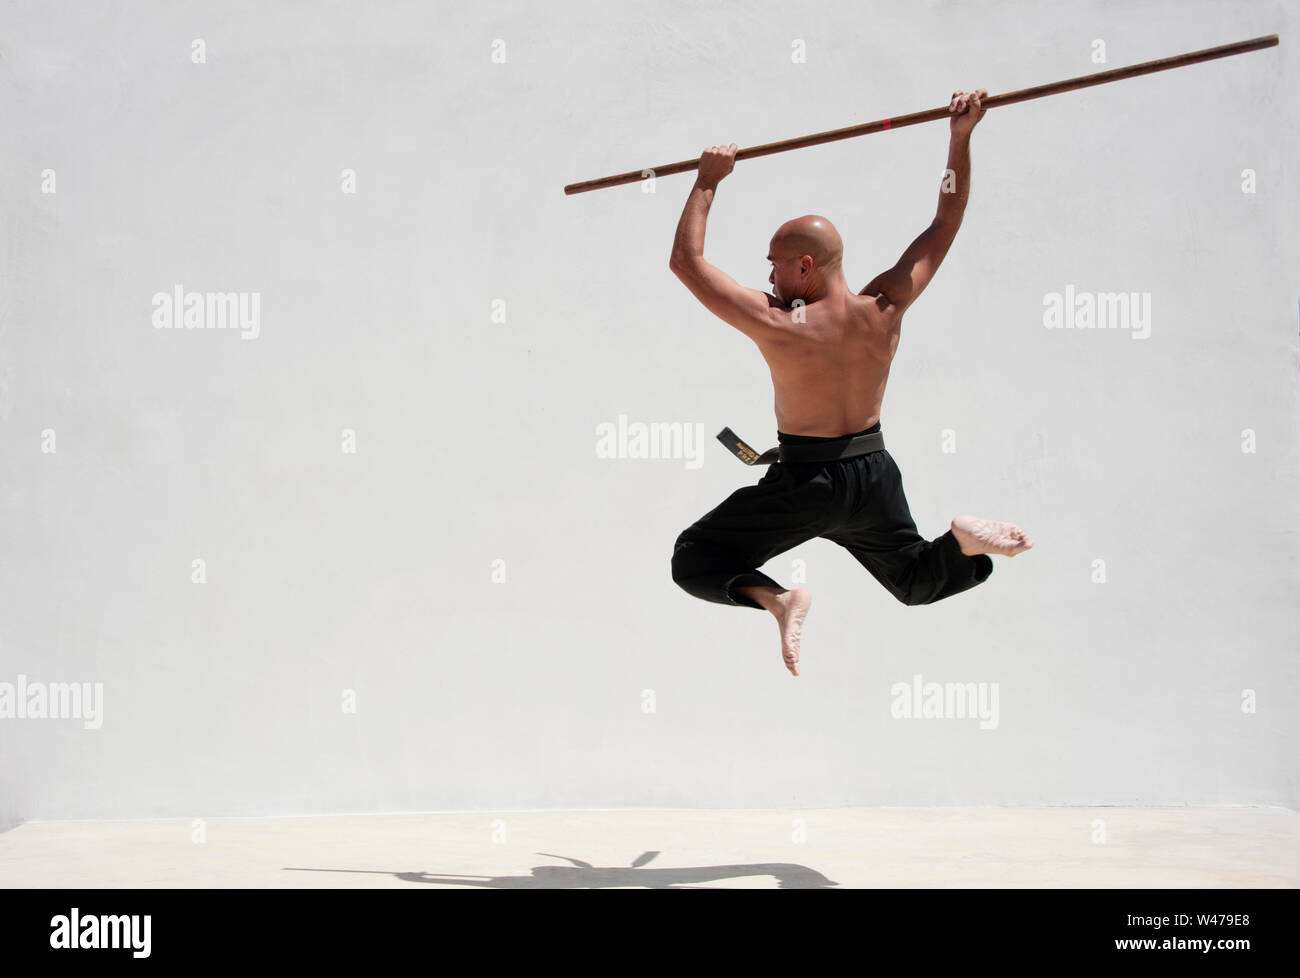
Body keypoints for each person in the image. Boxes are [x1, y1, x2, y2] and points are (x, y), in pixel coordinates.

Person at [668, 88, 1032, 677]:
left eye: (775, 264)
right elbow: (945, 220)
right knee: (915, 579)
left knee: (694, 556)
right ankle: (962, 540)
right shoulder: (886, 305)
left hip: (807, 483)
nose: (770, 276)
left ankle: (780, 601)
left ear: (805, 266)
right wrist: (960, 138)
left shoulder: (778, 322)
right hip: (874, 475)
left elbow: (687, 263)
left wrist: (708, 181)